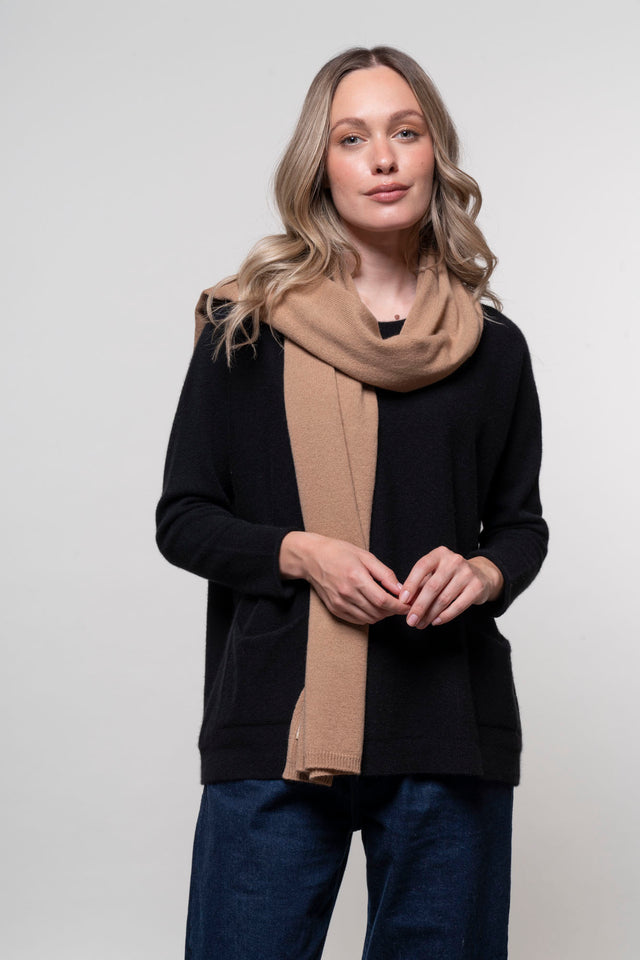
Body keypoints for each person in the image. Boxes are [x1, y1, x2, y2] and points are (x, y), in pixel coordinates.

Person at [156, 45, 549, 960]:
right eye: (352, 137)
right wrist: (303, 553)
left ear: (434, 153)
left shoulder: (493, 347)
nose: (382, 158)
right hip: (282, 724)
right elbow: (185, 517)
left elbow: (519, 524)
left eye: (405, 132)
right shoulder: (245, 329)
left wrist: (484, 572)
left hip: (448, 723)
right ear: (320, 165)